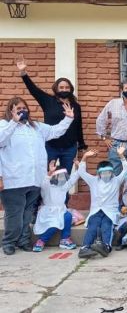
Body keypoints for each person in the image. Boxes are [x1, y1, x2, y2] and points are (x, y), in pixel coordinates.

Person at [0, 97, 74, 255]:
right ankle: (9, 242)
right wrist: (13, 122)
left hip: (35, 179)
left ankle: (24, 240)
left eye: (24, 108)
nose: (22, 111)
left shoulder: (36, 127)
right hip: (13, 179)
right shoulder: (4, 125)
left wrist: (68, 118)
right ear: (10, 110)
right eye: (17, 108)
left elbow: (55, 131)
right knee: (14, 213)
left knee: (27, 213)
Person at [16, 57, 87, 183]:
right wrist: (23, 73)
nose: (64, 90)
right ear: (56, 89)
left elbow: (78, 125)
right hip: (50, 147)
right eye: (61, 87)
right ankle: (44, 202)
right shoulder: (47, 101)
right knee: (47, 176)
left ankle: (64, 202)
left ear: (70, 89)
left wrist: (81, 143)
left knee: (65, 177)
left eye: (67, 87)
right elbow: (33, 90)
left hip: (69, 148)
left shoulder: (76, 106)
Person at [77, 146, 127, 259]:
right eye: (103, 173)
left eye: (108, 172)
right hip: (96, 211)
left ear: (112, 172)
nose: (106, 175)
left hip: (110, 212)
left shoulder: (116, 181)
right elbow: (81, 172)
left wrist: (121, 156)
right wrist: (85, 157)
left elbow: (126, 170)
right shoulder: (93, 181)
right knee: (93, 225)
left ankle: (106, 247)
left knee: (107, 225)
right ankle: (84, 248)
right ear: (99, 173)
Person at [32, 160, 80, 252]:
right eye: (60, 176)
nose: (62, 179)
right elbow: (44, 181)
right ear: (55, 176)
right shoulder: (47, 186)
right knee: (54, 225)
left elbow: (74, 178)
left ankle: (65, 239)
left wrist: (79, 167)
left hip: (61, 210)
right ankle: (41, 240)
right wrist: (50, 172)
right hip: (49, 212)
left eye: (64, 177)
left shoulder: (64, 186)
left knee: (68, 216)